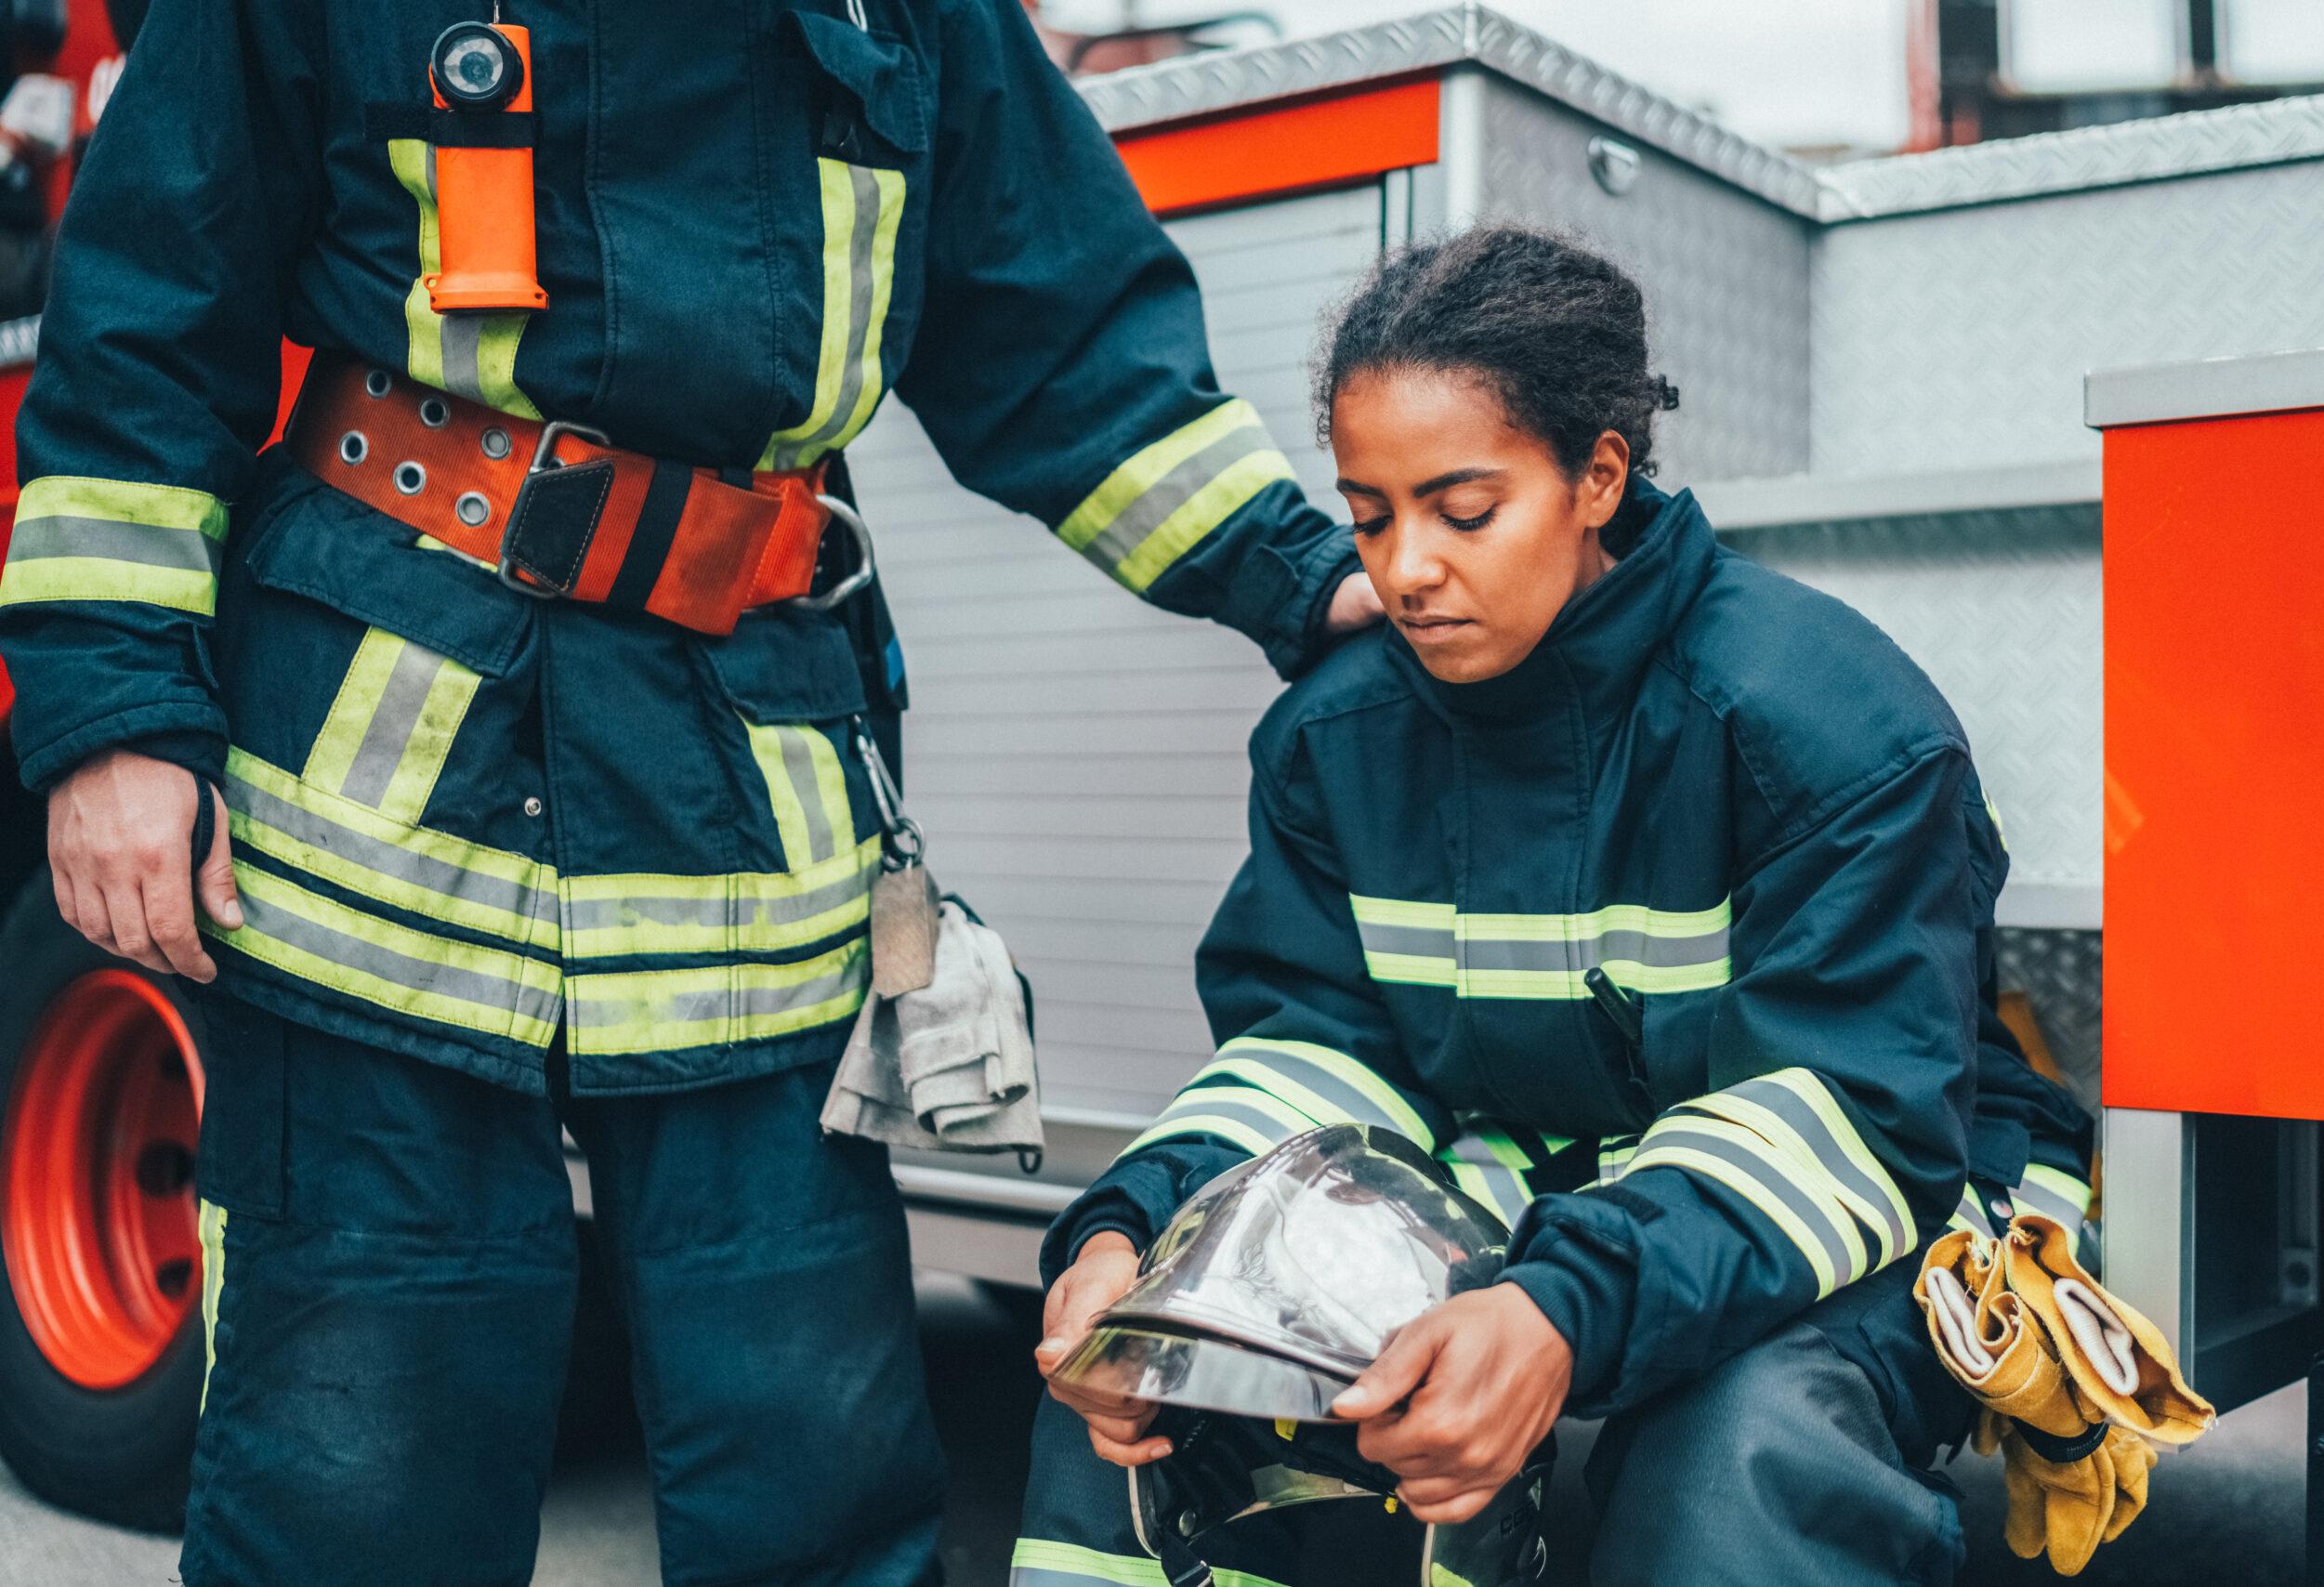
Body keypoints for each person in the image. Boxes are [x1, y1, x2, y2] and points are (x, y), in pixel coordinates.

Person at [0, 2, 1379, 1581]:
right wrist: (112, 713)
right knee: (356, 1486)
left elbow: (1057, 330)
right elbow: (148, 307)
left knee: (818, 1484)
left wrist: (1306, 575)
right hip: (379, 825)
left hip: (753, 813)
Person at [1019, 226, 2094, 1587]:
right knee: (1193, 1369)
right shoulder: (1335, 738)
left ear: (1599, 475)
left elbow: (1852, 1119)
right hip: (1529, 1176)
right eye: (1368, 515)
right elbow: (1313, 1056)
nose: (1404, 570)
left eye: (1462, 512)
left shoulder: (1827, 723)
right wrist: (1133, 1233)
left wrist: (1557, 1311)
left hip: (1866, 1197)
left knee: (1736, 1452)